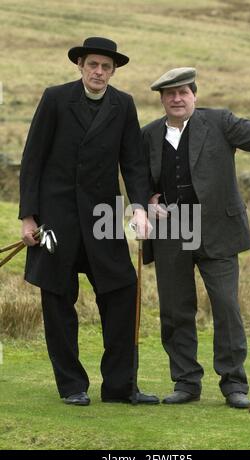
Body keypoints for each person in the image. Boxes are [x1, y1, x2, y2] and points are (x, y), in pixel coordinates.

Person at [19, 37, 159, 406]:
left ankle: (119, 387)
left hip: (105, 216)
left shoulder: (124, 104)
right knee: (57, 297)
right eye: (93, 65)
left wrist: (140, 207)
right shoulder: (54, 98)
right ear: (80, 65)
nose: (99, 72)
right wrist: (28, 217)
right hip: (56, 218)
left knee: (122, 291)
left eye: (106, 67)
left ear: (113, 71)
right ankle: (72, 386)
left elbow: (133, 162)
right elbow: (32, 159)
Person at [142, 67, 250, 407]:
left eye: (183, 92)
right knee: (175, 311)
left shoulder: (221, 122)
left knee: (226, 306)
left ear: (194, 95)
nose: (177, 98)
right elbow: (135, 172)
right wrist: (146, 200)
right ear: (162, 99)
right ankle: (186, 382)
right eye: (170, 94)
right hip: (170, 231)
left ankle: (234, 384)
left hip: (218, 229)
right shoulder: (147, 134)